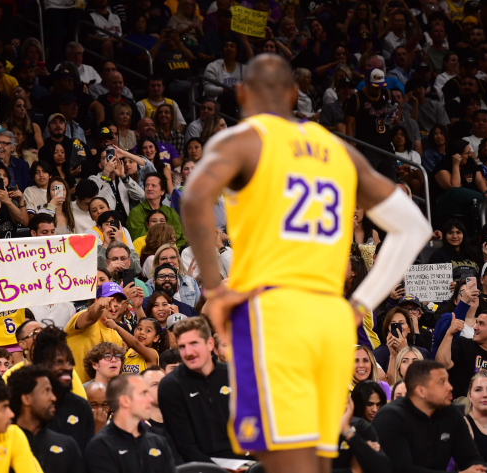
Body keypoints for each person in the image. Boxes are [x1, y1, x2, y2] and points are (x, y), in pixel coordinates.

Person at [182, 55, 431, 472]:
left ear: (241, 94)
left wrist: (215, 289)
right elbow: (412, 224)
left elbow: (193, 198)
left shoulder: (246, 139)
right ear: (296, 94)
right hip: (330, 319)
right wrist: (360, 303)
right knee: (313, 460)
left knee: (286, 463)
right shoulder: (338, 150)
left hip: (275, 313)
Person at [372, 360, 487, 472]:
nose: (450, 387)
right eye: (442, 382)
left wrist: (481, 470)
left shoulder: (451, 413)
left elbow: (471, 458)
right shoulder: (389, 418)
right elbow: (402, 470)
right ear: (421, 391)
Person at [157, 317, 237, 462]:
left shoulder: (233, 375)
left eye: (194, 344)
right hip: (198, 465)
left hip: (243, 460)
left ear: (210, 344)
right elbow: (184, 445)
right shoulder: (170, 385)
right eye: (182, 347)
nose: (188, 352)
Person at [85, 374, 176, 473]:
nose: (150, 399)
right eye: (143, 393)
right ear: (125, 401)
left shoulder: (158, 442)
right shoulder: (100, 447)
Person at [8, 365, 84, 473]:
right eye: (46, 391)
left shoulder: (67, 445)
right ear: (26, 398)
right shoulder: (2, 446)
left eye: (52, 391)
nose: (53, 398)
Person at [31, 326, 95, 451]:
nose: (67, 367)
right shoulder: (27, 406)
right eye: (58, 362)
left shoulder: (81, 406)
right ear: (41, 366)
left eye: (70, 362)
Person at [64, 282, 125, 384]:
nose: (114, 304)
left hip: (98, 395)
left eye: (118, 301)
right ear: (96, 300)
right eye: (110, 299)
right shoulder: (81, 317)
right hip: (72, 391)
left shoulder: (117, 336)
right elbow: (90, 316)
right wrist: (99, 306)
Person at [435, 310, 487, 398]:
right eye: (476, 323)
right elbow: (442, 365)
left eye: (481, 323)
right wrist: (449, 333)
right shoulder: (462, 344)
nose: (475, 327)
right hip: (462, 405)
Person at [127, 173, 186, 246]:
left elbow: (181, 237)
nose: (149, 188)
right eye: (147, 185)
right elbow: (138, 237)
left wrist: (173, 249)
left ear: (162, 191)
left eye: (153, 186)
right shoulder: (136, 212)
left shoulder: (171, 212)